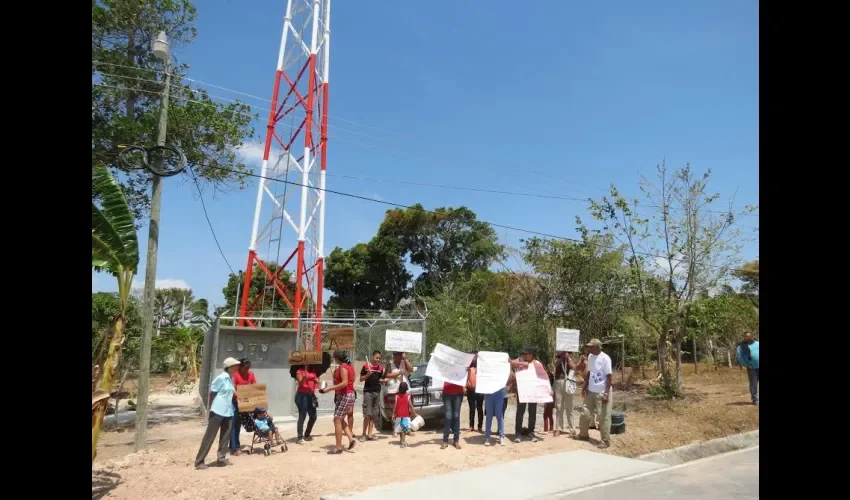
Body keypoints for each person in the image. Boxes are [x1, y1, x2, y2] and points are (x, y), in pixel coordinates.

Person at [194, 357, 241, 469]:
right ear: (229, 367)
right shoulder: (221, 378)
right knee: (209, 436)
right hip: (218, 411)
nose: (237, 368)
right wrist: (210, 409)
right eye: (236, 366)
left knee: (225, 436)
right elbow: (212, 393)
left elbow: (232, 393)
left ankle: (221, 458)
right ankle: (199, 461)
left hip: (228, 411)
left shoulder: (230, 378)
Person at [578, 338, 613, 449]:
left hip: (602, 392)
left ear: (597, 347)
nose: (589, 348)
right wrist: (585, 386)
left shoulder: (605, 358)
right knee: (585, 413)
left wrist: (606, 393)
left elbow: (609, 377)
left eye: (591, 346)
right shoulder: (590, 357)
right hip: (591, 391)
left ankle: (605, 441)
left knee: (603, 417)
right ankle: (583, 435)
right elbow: (590, 373)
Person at [319, 350, 356, 454]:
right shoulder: (347, 366)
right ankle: (351, 438)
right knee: (339, 419)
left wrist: (329, 388)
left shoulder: (343, 367)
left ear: (337, 358)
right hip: (345, 395)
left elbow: (344, 383)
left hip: (345, 395)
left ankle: (338, 447)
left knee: (337, 420)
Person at [511, 347, 544, 442]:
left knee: (532, 412)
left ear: (531, 355)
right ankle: (518, 432)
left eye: (526, 354)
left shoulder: (536, 363)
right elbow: (511, 362)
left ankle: (531, 432)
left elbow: (542, 375)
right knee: (520, 412)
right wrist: (523, 364)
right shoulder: (520, 360)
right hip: (522, 392)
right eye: (523, 354)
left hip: (533, 392)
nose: (524, 355)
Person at [230, 358, 256, 455]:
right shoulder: (235, 375)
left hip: (245, 402)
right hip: (235, 403)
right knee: (234, 425)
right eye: (245, 368)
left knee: (239, 425)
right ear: (240, 367)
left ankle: (232, 445)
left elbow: (254, 387)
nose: (246, 370)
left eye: (248, 368)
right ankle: (235, 448)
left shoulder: (251, 374)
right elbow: (233, 391)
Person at [359, 350, 386, 442]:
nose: (377, 360)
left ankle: (370, 434)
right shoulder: (366, 366)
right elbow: (361, 379)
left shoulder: (380, 368)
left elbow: (380, 379)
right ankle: (363, 434)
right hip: (368, 392)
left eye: (379, 358)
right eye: (376, 357)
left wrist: (383, 380)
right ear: (372, 357)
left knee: (373, 415)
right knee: (367, 414)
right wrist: (367, 374)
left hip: (377, 392)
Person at [385, 351, 412, 436]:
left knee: (406, 410)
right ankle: (395, 429)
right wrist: (398, 373)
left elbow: (411, 370)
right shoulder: (390, 364)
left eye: (400, 355)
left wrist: (406, 359)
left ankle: (406, 428)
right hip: (393, 389)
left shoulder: (405, 363)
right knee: (395, 410)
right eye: (397, 355)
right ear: (394, 355)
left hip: (404, 390)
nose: (399, 356)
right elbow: (387, 375)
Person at [552, 351, 577, 437]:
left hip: (569, 383)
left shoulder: (570, 357)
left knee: (569, 407)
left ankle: (572, 429)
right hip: (559, 382)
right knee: (559, 407)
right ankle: (558, 428)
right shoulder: (558, 358)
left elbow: (574, 367)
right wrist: (562, 357)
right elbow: (555, 364)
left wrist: (568, 358)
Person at [294, 364, 318, 444]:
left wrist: (316, 381)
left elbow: (314, 380)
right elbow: (301, 384)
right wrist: (304, 377)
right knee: (302, 415)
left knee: (313, 416)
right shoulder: (299, 371)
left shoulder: (313, 370)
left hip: (310, 395)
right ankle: (300, 437)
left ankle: (307, 434)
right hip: (301, 395)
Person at [483, 372, 508, 447]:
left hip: (499, 392)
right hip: (489, 392)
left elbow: (508, 374)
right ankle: (487, 437)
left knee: (499, 415)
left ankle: (501, 436)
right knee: (489, 415)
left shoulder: (500, 365)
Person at [736, 332, 759, 405]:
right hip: (752, 368)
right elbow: (740, 358)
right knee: (753, 384)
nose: (746, 338)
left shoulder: (758, 344)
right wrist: (746, 365)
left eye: (748, 336)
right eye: (745, 337)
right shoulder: (741, 347)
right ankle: (755, 399)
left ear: (752, 337)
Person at [393, 382, 418, 448]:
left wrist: (393, 414)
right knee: (404, 429)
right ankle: (403, 442)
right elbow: (410, 405)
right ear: (406, 389)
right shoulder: (408, 396)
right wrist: (414, 414)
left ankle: (401, 440)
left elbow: (395, 406)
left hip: (398, 415)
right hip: (405, 416)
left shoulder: (397, 396)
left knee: (400, 429)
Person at [441, 379, 464, 449]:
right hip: (447, 391)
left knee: (456, 416)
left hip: (458, 392)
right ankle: (445, 441)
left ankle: (456, 440)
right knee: (448, 416)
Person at [466, 353, 484, 432]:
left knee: (479, 408)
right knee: (471, 408)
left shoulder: (481, 368)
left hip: (480, 390)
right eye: (472, 357)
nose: (473, 359)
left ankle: (480, 426)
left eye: (475, 357)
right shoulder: (467, 368)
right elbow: (464, 378)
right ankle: (471, 426)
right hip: (470, 390)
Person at [543, 364, 555, 433]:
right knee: (549, 414)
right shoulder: (551, 386)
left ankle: (548, 429)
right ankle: (549, 428)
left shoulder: (548, 387)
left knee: (546, 415)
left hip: (549, 398)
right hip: (551, 397)